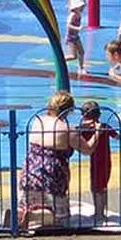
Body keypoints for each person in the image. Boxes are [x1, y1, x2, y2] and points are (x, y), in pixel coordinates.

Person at [18, 92, 101, 227]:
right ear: (68, 110)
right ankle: (35, 216)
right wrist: (98, 131)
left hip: (30, 172)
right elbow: (88, 149)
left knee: (29, 201)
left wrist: (79, 128)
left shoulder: (38, 121)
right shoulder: (67, 129)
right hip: (52, 176)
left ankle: (20, 213)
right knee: (60, 218)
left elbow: (53, 133)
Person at [78, 101, 117, 223]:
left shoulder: (85, 129)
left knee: (96, 188)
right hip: (106, 160)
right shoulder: (104, 126)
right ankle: (101, 212)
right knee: (102, 187)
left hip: (95, 162)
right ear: (99, 115)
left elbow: (73, 134)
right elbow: (117, 136)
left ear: (83, 116)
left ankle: (99, 213)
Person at [64, 0, 86, 74]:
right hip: (71, 38)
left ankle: (81, 68)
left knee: (81, 52)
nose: (83, 8)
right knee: (73, 56)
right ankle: (61, 60)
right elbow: (68, 25)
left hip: (76, 36)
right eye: (81, 6)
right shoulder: (72, 15)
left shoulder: (78, 14)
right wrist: (78, 28)